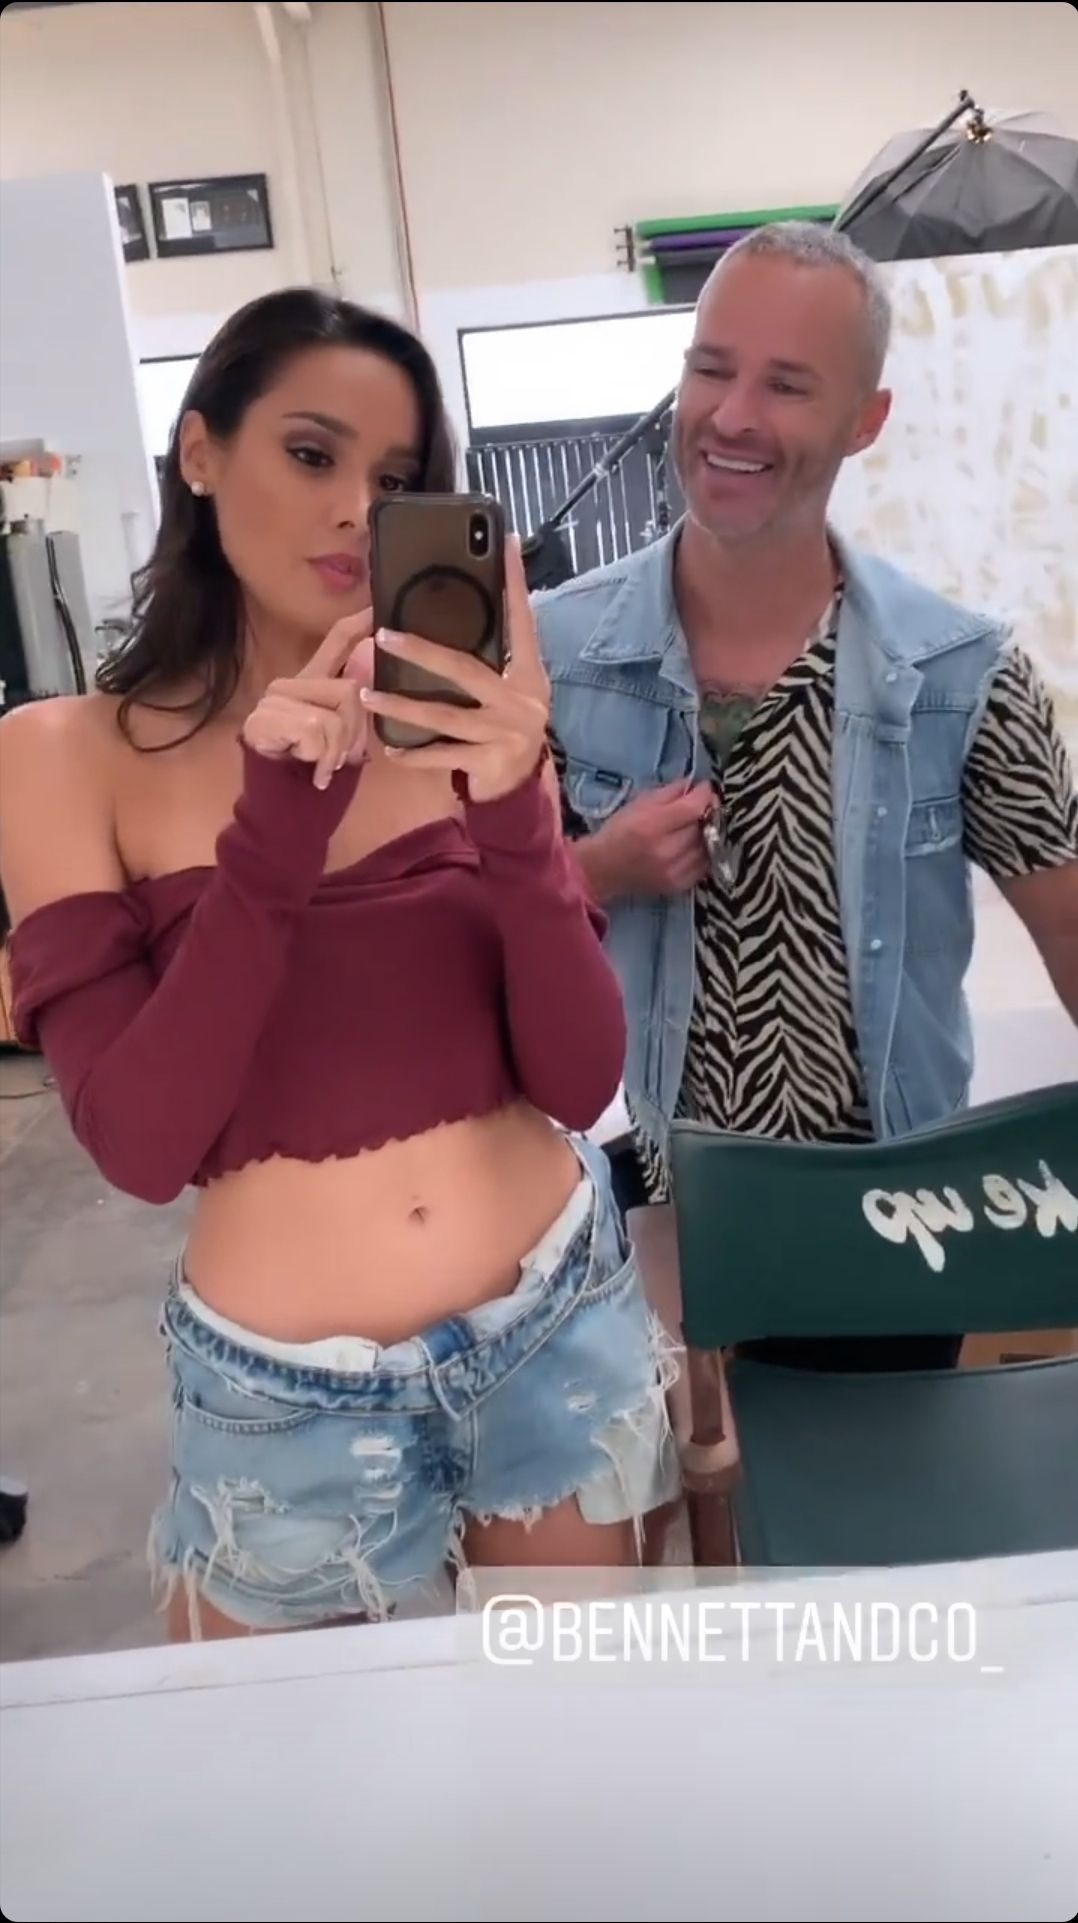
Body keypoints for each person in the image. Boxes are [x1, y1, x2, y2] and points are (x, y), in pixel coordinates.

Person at [0, 289, 679, 1639]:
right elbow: (141, 1142)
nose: (354, 510)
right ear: (201, 451)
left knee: (569, 1742)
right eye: (310, 453)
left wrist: (515, 808)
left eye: (396, 480)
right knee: (289, 1773)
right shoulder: (62, 754)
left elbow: (576, 1075)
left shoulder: (467, 724)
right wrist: (274, 838)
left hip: (551, 1319)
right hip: (286, 1403)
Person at [537, 223, 1078, 1371]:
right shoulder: (554, 659)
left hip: (890, 1224)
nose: (731, 417)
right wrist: (595, 871)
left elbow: (1071, 929)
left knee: (880, 1483)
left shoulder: (959, 675)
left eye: (786, 385)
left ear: (863, 421)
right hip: (658, 1221)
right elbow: (465, 939)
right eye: (711, 368)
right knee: (684, 1486)